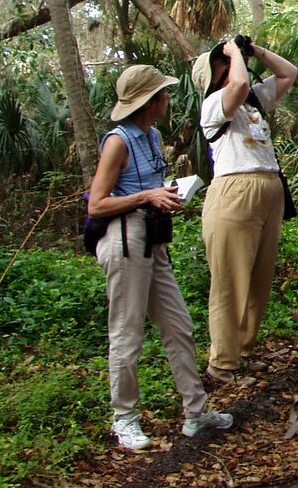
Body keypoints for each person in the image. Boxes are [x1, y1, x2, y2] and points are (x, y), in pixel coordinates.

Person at [88, 65, 232, 451]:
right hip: (125, 237)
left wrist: (167, 195)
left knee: (178, 325)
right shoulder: (118, 141)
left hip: (153, 237)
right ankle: (125, 419)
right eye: (164, 94)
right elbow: (97, 203)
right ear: (150, 101)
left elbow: (146, 187)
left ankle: (197, 413)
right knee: (126, 331)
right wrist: (146, 197)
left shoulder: (151, 135)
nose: (168, 99)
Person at [192, 38, 298, 385]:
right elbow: (236, 84)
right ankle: (222, 363)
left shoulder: (252, 105)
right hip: (234, 193)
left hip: (268, 192)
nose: (232, 66)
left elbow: (288, 73)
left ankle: (243, 352)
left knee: (257, 281)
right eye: (223, 63)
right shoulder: (212, 105)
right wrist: (232, 52)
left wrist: (255, 51)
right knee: (230, 283)